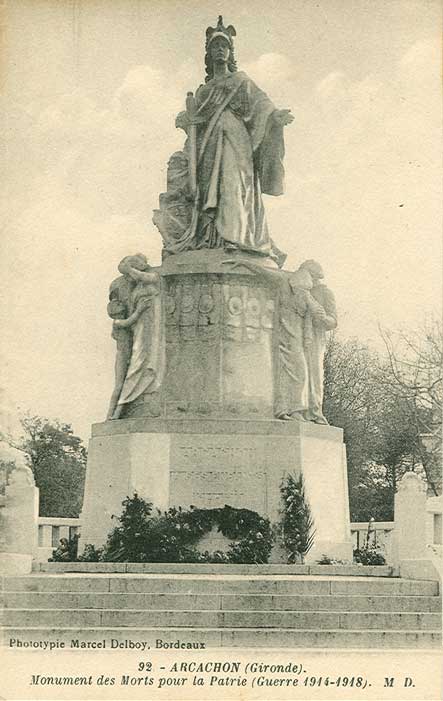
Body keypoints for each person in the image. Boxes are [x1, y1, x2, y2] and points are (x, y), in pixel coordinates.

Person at [156, 17, 293, 263]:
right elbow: (195, 123)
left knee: (233, 186)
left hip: (235, 141)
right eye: (214, 47)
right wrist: (186, 120)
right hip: (208, 145)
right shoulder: (204, 91)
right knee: (211, 190)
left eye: (224, 46)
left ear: (230, 52)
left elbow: (262, 106)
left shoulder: (241, 81)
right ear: (208, 54)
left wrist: (275, 117)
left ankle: (236, 237)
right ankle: (212, 238)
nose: (220, 50)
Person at [221, 259, 326, 420]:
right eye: (313, 277)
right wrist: (243, 263)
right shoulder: (286, 281)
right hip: (285, 336)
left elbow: (318, 312)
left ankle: (288, 410)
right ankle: (290, 410)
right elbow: (264, 272)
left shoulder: (304, 294)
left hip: (295, 338)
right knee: (296, 372)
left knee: (295, 372)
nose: (312, 283)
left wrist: (320, 317)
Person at [111, 261, 164, 419]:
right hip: (141, 329)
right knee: (137, 365)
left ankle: (119, 409)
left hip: (152, 329)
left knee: (143, 363)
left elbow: (143, 276)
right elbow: (129, 320)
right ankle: (120, 408)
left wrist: (127, 268)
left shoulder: (153, 277)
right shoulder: (136, 287)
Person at [106, 254, 152, 419]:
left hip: (129, 348)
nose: (120, 304)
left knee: (122, 383)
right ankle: (112, 415)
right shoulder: (119, 322)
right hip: (124, 353)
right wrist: (139, 311)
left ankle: (114, 414)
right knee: (120, 384)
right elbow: (129, 321)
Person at [299, 260, 337, 424]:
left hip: (315, 336)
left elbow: (333, 321)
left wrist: (323, 318)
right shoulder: (298, 290)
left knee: (314, 373)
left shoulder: (325, 293)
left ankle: (315, 411)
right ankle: (299, 409)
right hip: (296, 334)